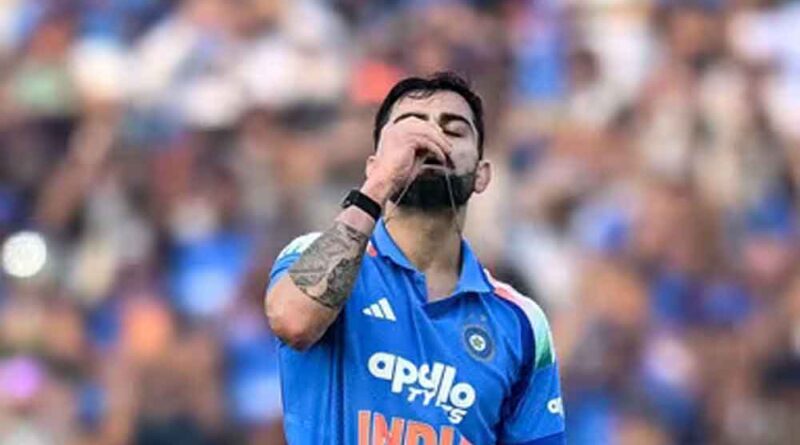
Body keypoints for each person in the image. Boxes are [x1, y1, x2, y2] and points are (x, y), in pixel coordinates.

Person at [265, 72, 565, 445]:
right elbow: (293, 321)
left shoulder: (521, 322)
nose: (430, 139)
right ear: (374, 163)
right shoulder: (317, 254)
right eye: (410, 127)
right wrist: (378, 185)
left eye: (454, 131)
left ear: (481, 175)